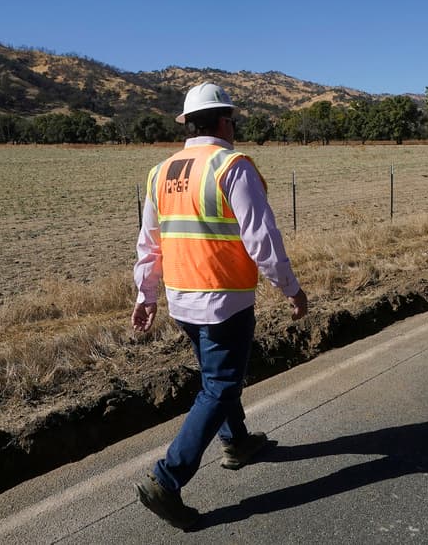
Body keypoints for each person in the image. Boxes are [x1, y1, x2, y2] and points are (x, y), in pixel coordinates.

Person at [131, 81, 308, 530]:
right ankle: (166, 480)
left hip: (182, 301)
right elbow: (262, 238)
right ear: (225, 120)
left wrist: (145, 295)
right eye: (235, 121)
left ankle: (237, 441)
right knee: (220, 387)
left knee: (217, 378)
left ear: (188, 124)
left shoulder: (161, 172)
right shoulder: (232, 165)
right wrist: (290, 288)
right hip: (224, 300)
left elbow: (149, 245)